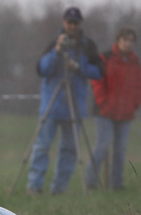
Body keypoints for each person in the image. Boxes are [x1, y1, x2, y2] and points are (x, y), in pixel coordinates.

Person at [27, 6, 103, 195]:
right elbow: (43, 69)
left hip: (74, 106)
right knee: (42, 147)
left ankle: (59, 188)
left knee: (69, 150)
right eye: (69, 22)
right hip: (51, 106)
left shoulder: (87, 46)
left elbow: (99, 72)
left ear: (81, 23)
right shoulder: (55, 43)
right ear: (64, 22)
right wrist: (57, 50)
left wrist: (77, 67)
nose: (72, 26)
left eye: (75, 22)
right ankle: (34, 186)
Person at [85, 26, 141, 190]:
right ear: (118, 41)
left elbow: (138, 85)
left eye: (131, 40)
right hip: (104, 112)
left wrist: (135, 103)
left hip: (125, 113)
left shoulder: (135, 62)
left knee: (120, 150)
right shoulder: (105, 58)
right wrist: (104, 102)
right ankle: (91, 181)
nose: (128, 43)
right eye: (125, 40)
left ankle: (117, 184)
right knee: (102, 145)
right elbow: (97, 81)